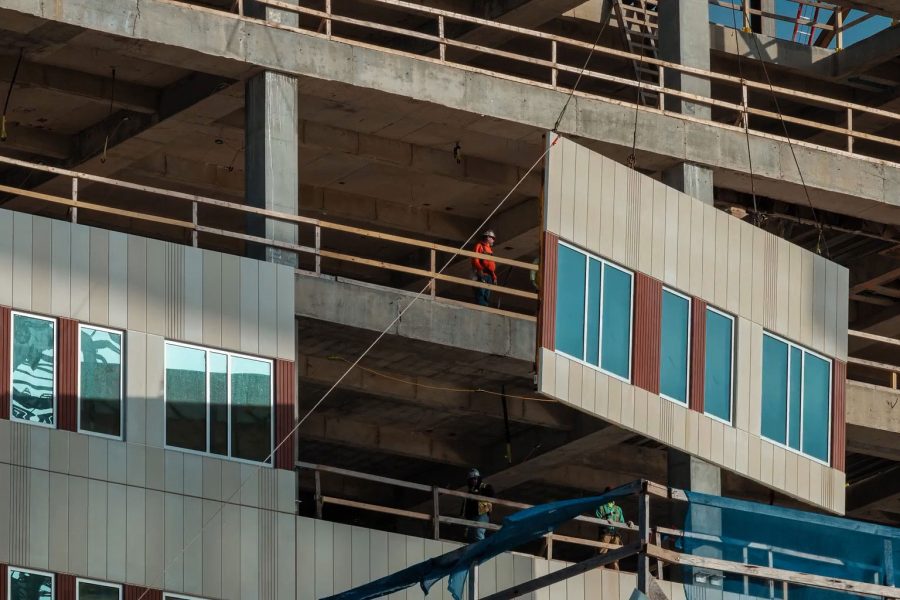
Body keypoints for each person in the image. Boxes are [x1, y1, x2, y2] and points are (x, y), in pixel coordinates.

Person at [596, 487, 627, 570]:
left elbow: (622, 522)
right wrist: (606, 520)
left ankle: (615, 571)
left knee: (615, 556)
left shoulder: (618, 509)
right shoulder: (601, 507)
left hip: (616, 534)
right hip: (605, 533)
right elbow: (597, 520)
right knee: (602, 553)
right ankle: (600, 569)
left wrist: (628, 523)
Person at [461, 468, 494, 542]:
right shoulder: (470, 491)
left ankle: (481, 550)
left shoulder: (485, 487)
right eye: (472, 479)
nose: (474, 480)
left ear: (478, 478)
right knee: (470, 535)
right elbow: (466, 505)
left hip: (483, 513)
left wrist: (478, 493)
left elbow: (491, 494)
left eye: (475, 478)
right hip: (472, 516)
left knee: (478, 533)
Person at [470, 230, 497, 306]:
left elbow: (491, 265)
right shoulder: (479, 246)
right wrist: (480, 270)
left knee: (486, 295)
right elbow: (475, 259)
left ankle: (484, 308)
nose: (493, 240)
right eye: (492, 238)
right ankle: (481, 308)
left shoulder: (490, 250)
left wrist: (494, 276)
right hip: (481, 274)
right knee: (480, 293)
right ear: (487, 237)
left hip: (489, 276)